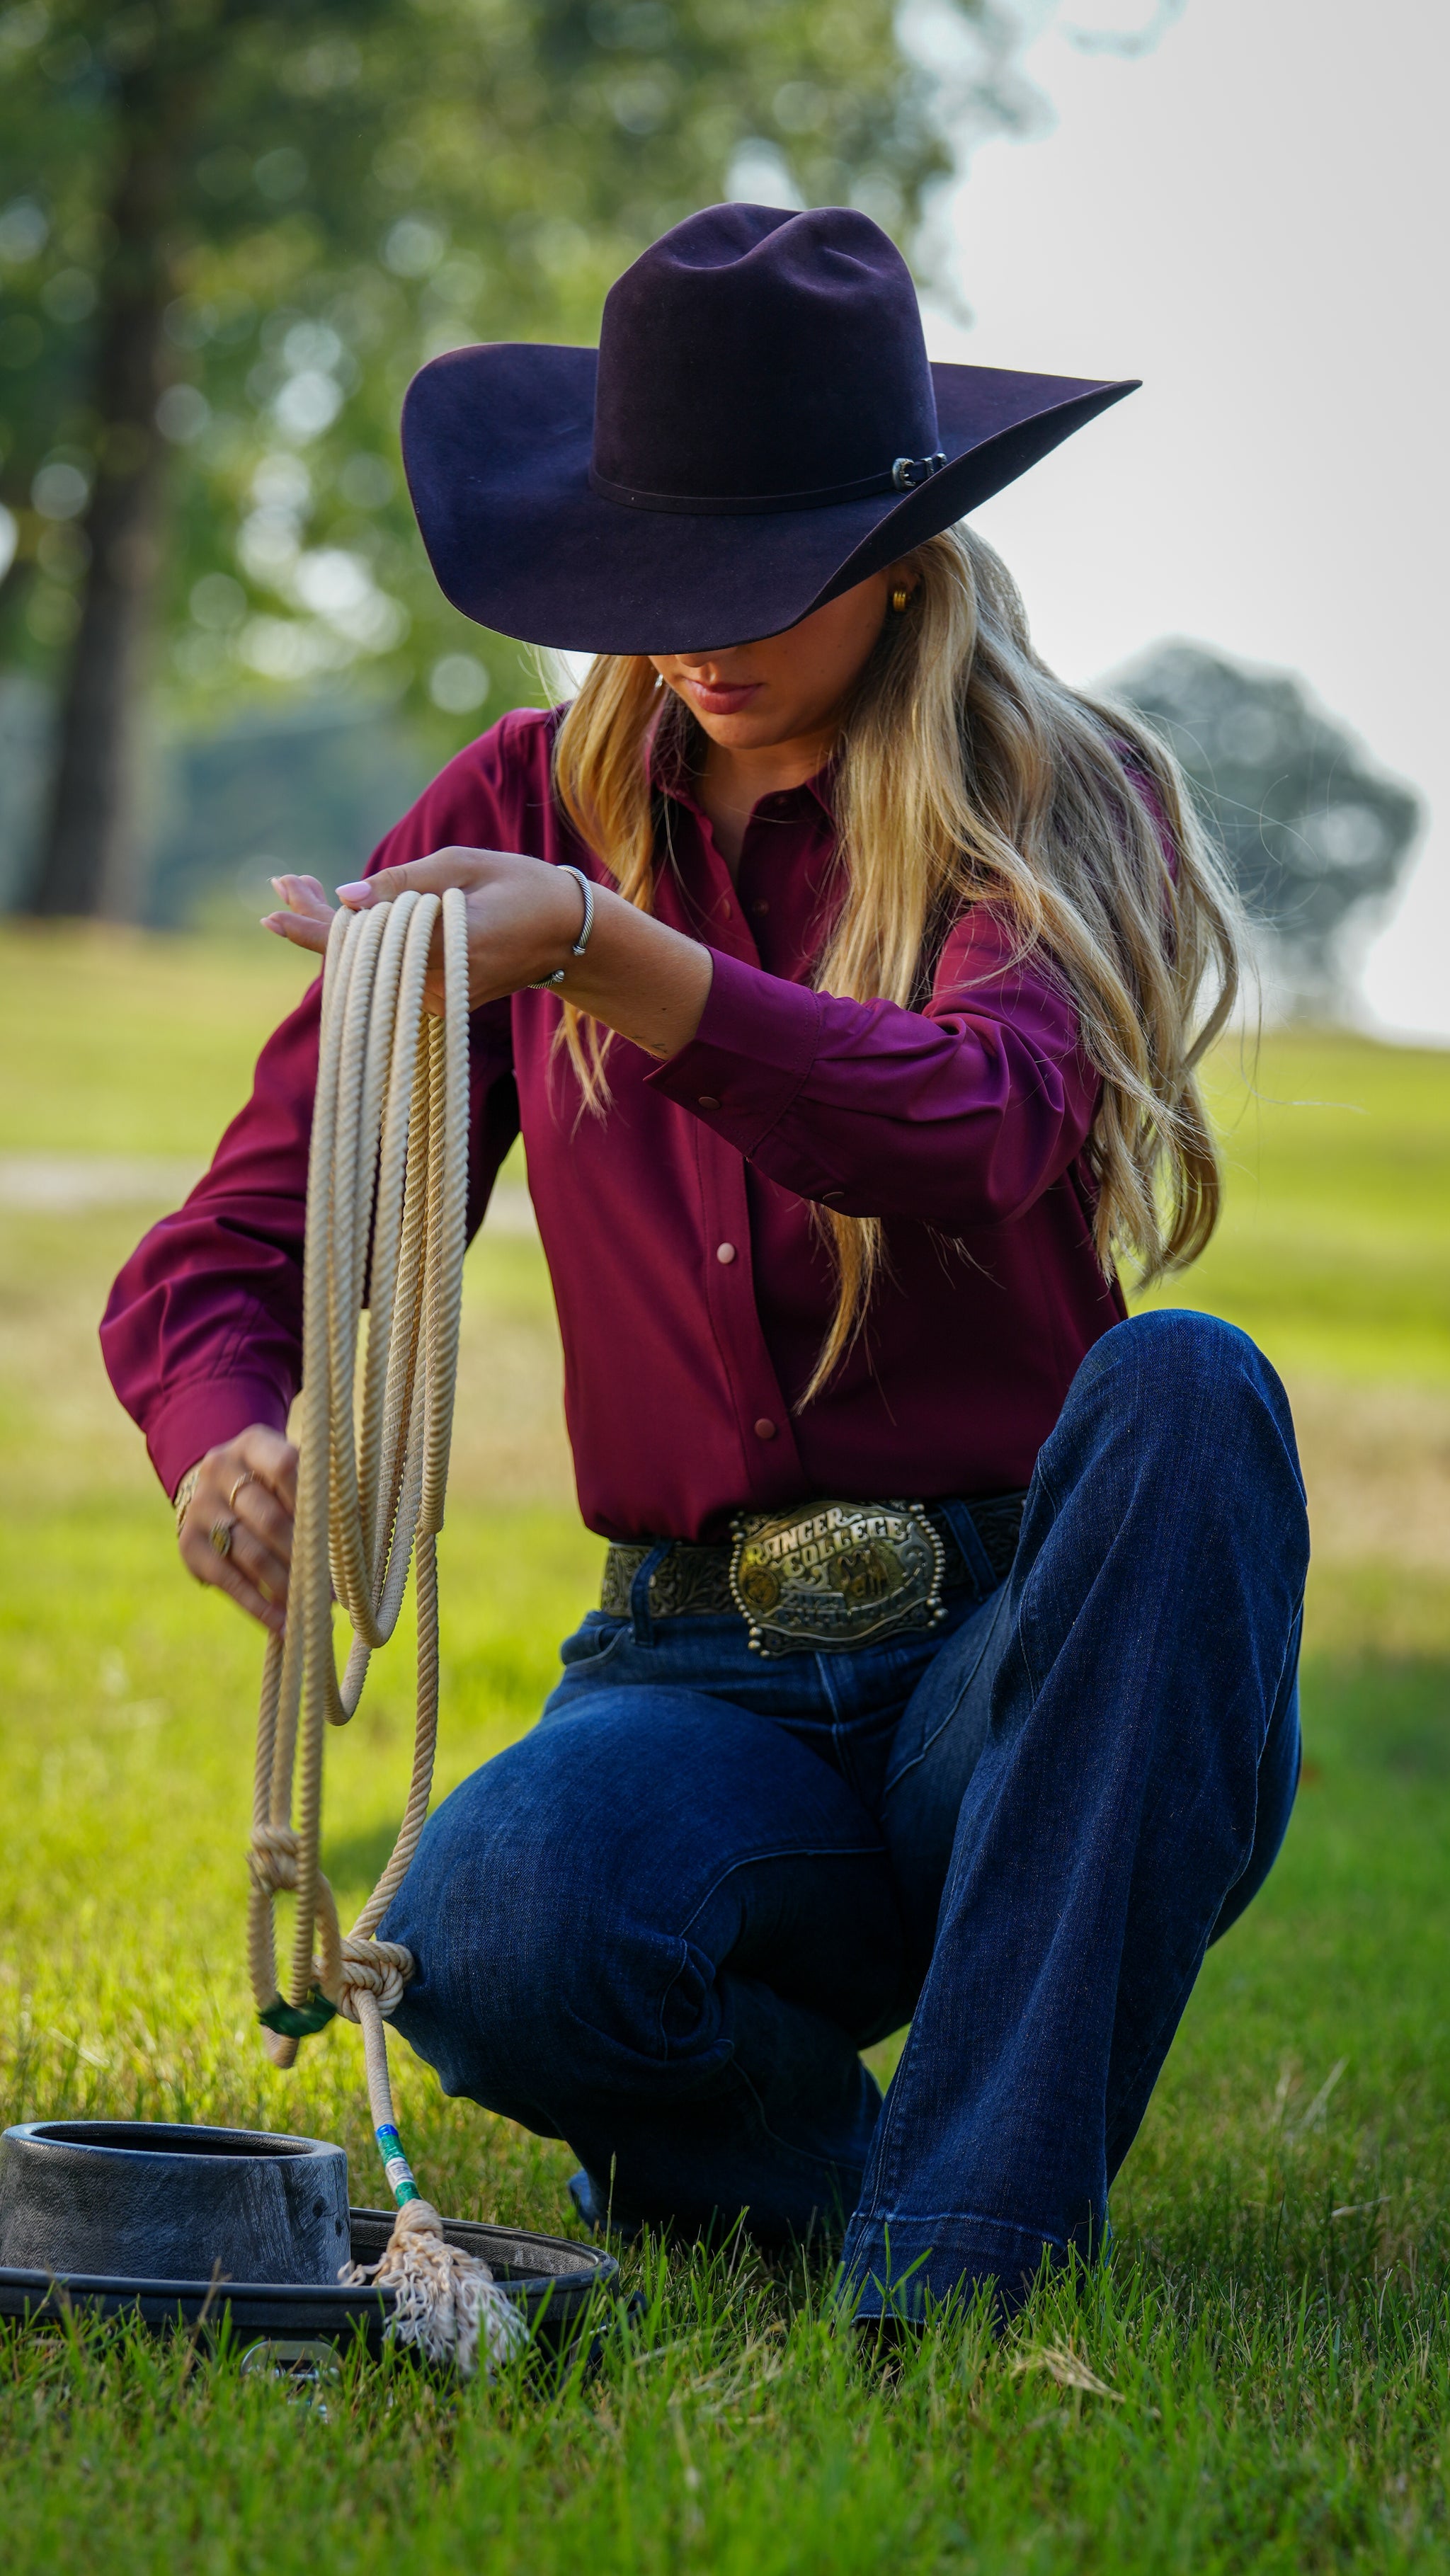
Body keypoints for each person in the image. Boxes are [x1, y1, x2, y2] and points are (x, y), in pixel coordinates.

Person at [102, 202, 1308, 2324]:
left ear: (904, 553)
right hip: (690, 1662)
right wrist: (227, 1432)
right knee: (491, 1929)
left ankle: (963, 2268)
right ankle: (864, 2193)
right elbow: (242, 1243)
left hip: (1029, 1669)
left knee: (1192, 1389)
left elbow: (977, 1122)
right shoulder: (519, 805)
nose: (693, 640)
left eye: (760, 577)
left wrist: (605, 951)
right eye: (650, 576)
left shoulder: (1056, 793)